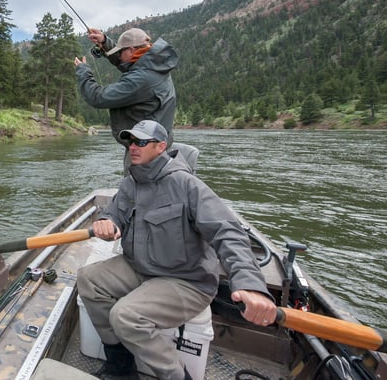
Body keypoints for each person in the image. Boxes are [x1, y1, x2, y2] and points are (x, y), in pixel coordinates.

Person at [77, 120, 277, 380]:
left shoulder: (188, 186)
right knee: (88, 279)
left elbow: (228, 233)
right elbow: (114, 215)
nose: (132, 147)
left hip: (187, 281)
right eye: (130, 142)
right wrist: (107, 223)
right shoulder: (130, 184)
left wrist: (250, 285)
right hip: (141, 268)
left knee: (125, 315)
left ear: (161, 146)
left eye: (140, 142)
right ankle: (121, 368)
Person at [74, 27, 178, 174]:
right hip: (155, 146)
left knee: (136, 192)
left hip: (144, 151)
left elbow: (98, 97)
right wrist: (104, 42)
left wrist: (83, 71)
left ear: (131, 51)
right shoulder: (156, 65)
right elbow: (126, 62)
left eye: (121, 51)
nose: (119, 56)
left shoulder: (141, 78)